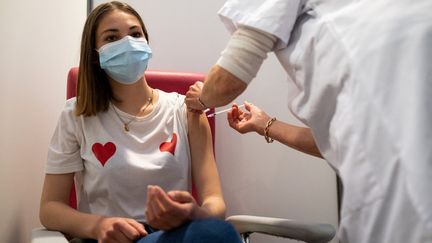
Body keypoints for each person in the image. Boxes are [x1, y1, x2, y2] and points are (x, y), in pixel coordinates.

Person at [185, 0, 432, 242]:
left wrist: (202, 98)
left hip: (402, 187)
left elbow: (227, 80)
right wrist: (265, 124)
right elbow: (339, 141)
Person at [39, 2, 242, 243]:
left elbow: (215, 202)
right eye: (112, 38)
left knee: (221, 232)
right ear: (94, 56)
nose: (128, 43)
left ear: (146, 43)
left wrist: (195, 213)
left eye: (135, 34)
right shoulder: (76, 115)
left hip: (172, 236)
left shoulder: (187, 111)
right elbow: (50, 208)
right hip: (108, 239)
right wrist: (97, 226)